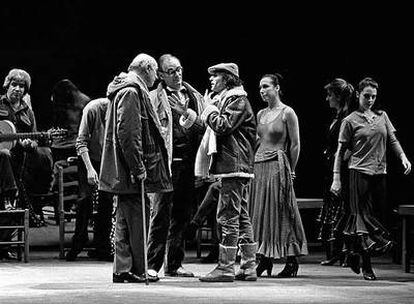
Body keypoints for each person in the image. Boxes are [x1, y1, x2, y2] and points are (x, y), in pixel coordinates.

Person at [99, 53, 172, 283]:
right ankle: (136, 269)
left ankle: (124, 268)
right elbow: (129, 134)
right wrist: (138, 167)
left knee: (124, 218)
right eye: (155, 73)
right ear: (148, 69)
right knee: (136, 218)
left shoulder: (124, 88)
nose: (156, 78)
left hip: (122, 167)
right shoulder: (131, 91)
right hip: (128, 169)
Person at [331, 77, 411, 280]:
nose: (370, 100)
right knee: (362, 218)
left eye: (374, 96)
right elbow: (340, 152)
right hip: (358, 172)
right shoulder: (350, 120)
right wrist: (336, 178)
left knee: (377, 217)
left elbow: (392, 139)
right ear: (358, 95)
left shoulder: (382, 116)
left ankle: (353, 254)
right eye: (367, 96)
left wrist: (403, 156)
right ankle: (367, 266)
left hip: (380, 173)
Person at [198, 63, 257, 282]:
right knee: (240, 215)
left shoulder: (237, 100)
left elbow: (222, 126)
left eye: (216, 76)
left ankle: (225, 267)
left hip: (234, 166)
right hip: (235, 165)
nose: (212, 79)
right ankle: (249, 267)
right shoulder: (231, 100)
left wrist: (209, 109)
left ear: (228, 79)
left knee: (228, 216)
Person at [147, 54, 204, 278]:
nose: (177, 75)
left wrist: (185, 112)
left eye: (179, 69)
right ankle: (153, 264)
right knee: (160, 214)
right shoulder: (153, 98)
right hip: (165, 163)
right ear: (160, 75)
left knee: (182, 214)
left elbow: (203, 128)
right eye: (171, 71)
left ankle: (174, 264)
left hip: (189, 162)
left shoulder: (194, 96)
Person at [249, 73, 308, 278]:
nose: (262, 91)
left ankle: (292, 261)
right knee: (261, 213)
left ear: (277, 87)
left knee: (282, 212)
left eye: (265, 86)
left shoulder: (287, 112)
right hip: (259, 166)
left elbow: (296, 143)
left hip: (277, 165)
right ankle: (264, 259)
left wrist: (291, 169)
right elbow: (257, 141)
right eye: (260, 88)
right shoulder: (260, 114)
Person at [0, 68, 54, 227]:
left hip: (20, 161)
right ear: (7, 85)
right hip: (2, 159)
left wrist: (30, 144)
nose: (17, 88)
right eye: (14, 84)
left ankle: (7, 244)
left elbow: (34, 137)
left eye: (21, 86)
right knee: (4, 153)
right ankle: (9, 196)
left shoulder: (28, 112)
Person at [65, 97, 114, 262]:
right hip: (89, 158)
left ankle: (102, 246)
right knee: (84, 198)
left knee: (106, 201)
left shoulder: (124, 110)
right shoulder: (93, 109)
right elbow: (81, 142)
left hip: (108, 159)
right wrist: (90, 170)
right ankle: (78, 241)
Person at [317, 78, 354, 266]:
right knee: (334, 211)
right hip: (331, 167)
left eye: (330, 95)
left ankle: (347, 253)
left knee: (343, 211)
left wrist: (340, 164)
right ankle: (336, 252)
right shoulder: (338, 116)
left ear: (338, 97)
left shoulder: (349, 116)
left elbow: (350, 146)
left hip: (342, 170)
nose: (327, 99)